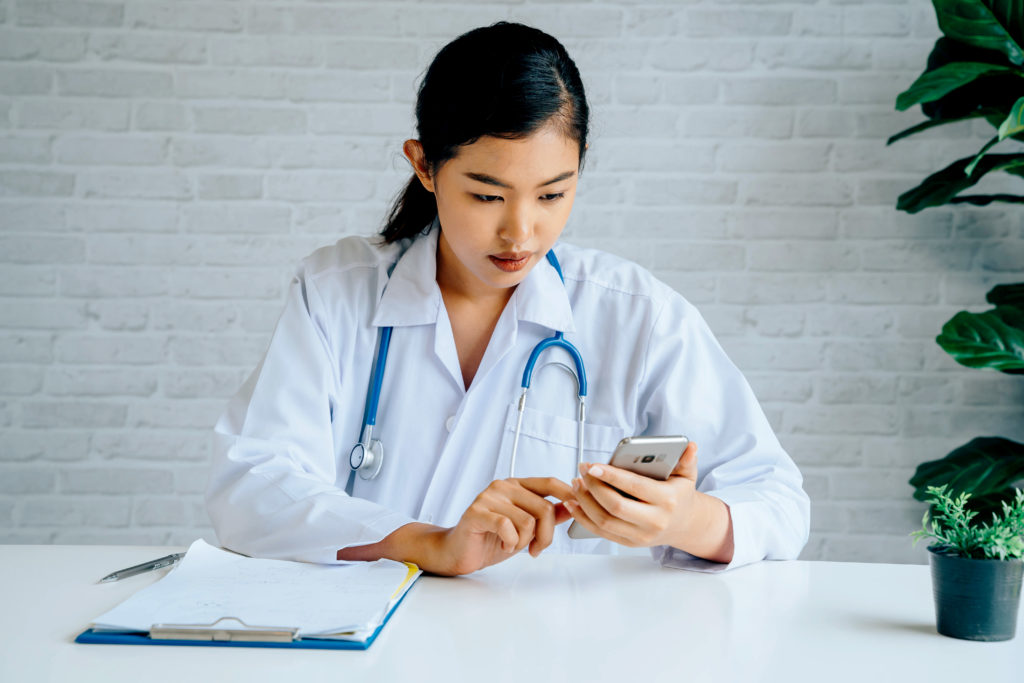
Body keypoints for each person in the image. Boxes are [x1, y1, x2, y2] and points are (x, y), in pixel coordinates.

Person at [206, 22, 809, 576]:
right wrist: (426, 543)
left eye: (551, 195)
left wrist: (685, 519)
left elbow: (779, 501)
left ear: (581, 168)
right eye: (487, 196)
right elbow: (253, 487)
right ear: (424, 166)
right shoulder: (335, 291)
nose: (520, 233)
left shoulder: (638, 315)